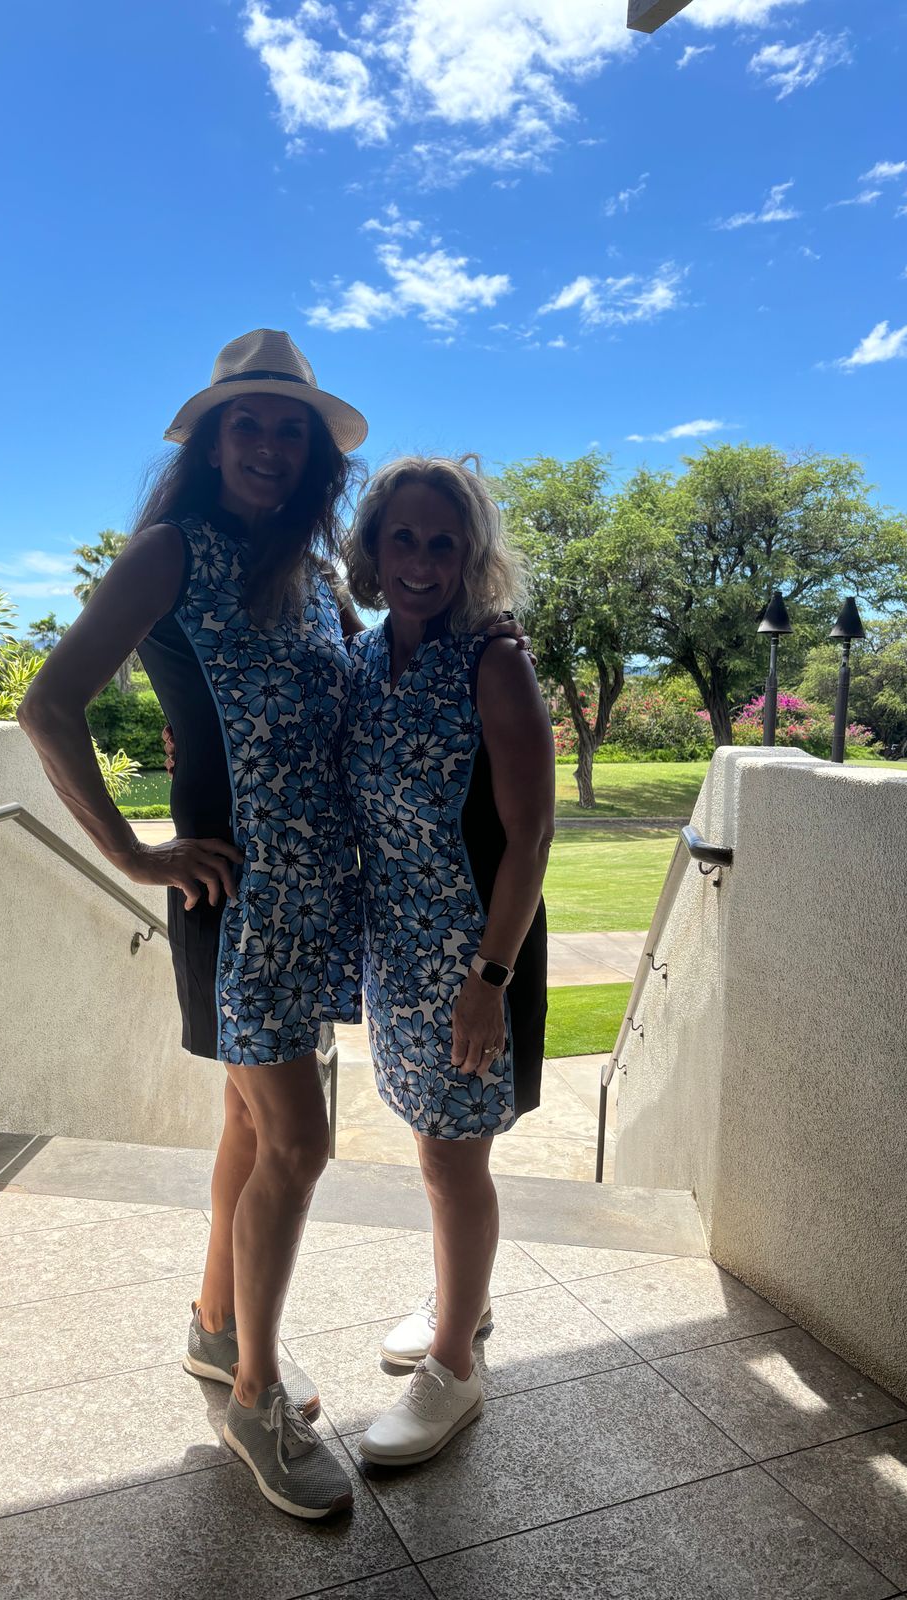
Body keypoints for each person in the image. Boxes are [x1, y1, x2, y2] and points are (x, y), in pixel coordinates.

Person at [17, 329, 368, 1519]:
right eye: (246, 424)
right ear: (212, 443)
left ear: (314, 455)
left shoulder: (317, 577)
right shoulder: (170, 550)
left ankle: (218, 1328)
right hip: (237, 902)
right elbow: (48, 705)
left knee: (249, 1122)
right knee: (300, 1145)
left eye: (289, 429)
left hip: (311, 900)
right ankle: (256, 1400)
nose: (268, 444)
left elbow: (359, 694)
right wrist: (131, 853)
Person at [340, 456, 555, 1466]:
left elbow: (532, 836)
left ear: (470, 557)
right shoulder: (364, 656)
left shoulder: (491, 662)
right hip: (396, 948)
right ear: (374, 549)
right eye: (404, 539)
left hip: (475, 952)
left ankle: (456, 1365)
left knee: (451, 1154)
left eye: (443, 543)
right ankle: (460, 1300)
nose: (422, 562)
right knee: (432, 1142)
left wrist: (489, 981)